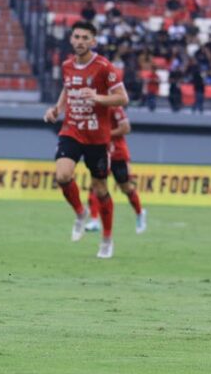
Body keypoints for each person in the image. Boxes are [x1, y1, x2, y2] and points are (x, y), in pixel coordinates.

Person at [43, 21, 129, 259]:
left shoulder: (104, 67)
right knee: (62, 175)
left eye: (85, 38)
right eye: (76, 37)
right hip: (72, 130)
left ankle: (107, 239)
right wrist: (57, 109)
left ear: (93, 41)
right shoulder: (67, 65)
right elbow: (67, 88)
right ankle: (81, 213)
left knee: (101, 189)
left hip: (97, 137)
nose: (80, 41)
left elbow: (122, 98)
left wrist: (98, 98)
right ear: (71, 39)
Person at [84, 105, 147, 235]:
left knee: (126, 188)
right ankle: (95, 220)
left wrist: (105, 134)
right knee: (96, 186)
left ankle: (140, 213)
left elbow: (126, 128)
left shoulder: (114, 107)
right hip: (101, 152)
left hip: (117, 154)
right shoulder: (93, 106)